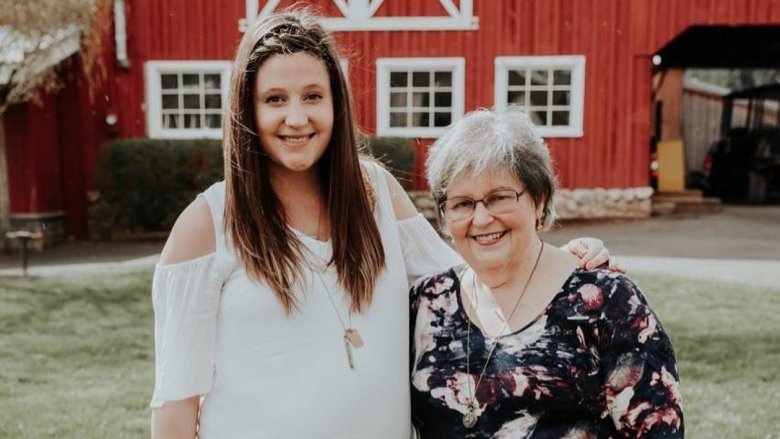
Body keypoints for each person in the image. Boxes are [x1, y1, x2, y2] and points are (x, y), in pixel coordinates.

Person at [150, 9, 617, 439]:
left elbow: (469, 289)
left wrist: (562, 263)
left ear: (337, 103)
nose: (296, 117)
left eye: (313, 96)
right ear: (247, 111)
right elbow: (175, 406)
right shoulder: (207, 225)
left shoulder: (375, 195)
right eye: (275, 99)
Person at [410, 108, 684, 438]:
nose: (481, 219)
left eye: (499, 197)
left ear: (539, 200)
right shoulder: (425, 303)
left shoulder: (607, 304)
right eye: (462, 204)